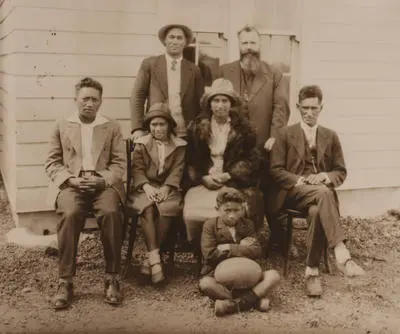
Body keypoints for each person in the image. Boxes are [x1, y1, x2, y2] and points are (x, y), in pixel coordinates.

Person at [270, 85, 365, 297]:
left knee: (316, 209)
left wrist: (324, 176)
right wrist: (302, 180)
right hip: (293, 193)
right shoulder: (285, 134)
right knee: (323, 193)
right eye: (305, 108)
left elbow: (340, 171)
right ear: (298, 107)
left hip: (319, 197)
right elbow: (276, 171)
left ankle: (311, 272)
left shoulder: (330, 136)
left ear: (321, 108)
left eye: (314, 108)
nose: (310, 113)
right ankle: (341, 252)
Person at [44, 77, 126, 310]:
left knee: (111, 213)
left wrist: (102, 180)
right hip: (72, 184)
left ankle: (112, 278)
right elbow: (51, 162)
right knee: (69, 214)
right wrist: (71, 179)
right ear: (75, 100)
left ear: (101, 102)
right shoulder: (62, 125)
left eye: (94, 99)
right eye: (85, 99)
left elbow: (120, 164)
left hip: (103, 184)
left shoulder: (112, 126)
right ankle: (65, 281)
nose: (89, 103)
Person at [218, 25, 290, 246]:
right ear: (238, 46)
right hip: (233, 147)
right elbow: (215, 106)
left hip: (263, 144)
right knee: (237, 190)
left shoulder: (274, 73)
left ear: (260, 46)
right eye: (244, 43)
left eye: (253, 43)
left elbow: (281, 107)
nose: (249, 48)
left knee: (269, 190)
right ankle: (237, 237)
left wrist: (274, 136)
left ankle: (279, 238)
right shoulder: (224, 71)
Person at [183, 78, 264, 248]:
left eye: (225, 101)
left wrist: (229, 175)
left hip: (234, 182)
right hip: (205, 182)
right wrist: (203, 177)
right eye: (216, 100)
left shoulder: (244, 129)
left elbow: (253, 160)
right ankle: (205, 251)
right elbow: (190, 161)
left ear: (231, 104)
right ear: (209, 104)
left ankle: (230, 249)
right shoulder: (197, 128)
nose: (220, 105)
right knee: (192, 213)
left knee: (232, 212)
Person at [127, 103, 187, 284]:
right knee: (147, 208)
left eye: (162, 124)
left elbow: (178, 170)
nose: (158, 128)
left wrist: (167, 188)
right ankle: (156, 259)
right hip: (145, 187)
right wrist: (146, 187)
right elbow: (137, 169)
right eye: (154, 125)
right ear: (149, 127)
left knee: (168, 208)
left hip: (168, 187)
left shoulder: (179, 145)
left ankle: (150, 259)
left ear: (169, 125)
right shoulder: (142, 144)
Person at [199, 188, 280, 317]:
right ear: (217, 209)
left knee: (273, 276)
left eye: (236, 210)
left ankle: (231, 305)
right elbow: (209, 255)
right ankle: (254, 300)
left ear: (242, 210)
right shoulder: (210, 225)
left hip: (248, 274)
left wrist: (229, 247)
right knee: (206, 284)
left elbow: (256, 250)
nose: (232, 215)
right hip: (220, 276)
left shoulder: (247, 224)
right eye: (227, 210)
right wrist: (241, 248)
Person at [130, 23, 205, 141]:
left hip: (185, 130)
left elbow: (201, 102)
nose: (175, 41)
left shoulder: (194, 69)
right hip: (157, 127)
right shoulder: (150, 64)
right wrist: (138, 128)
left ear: (185, 43)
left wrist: (200, 127)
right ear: (164, 40)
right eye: (171, 37)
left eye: (179, 38)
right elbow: (138, 96)